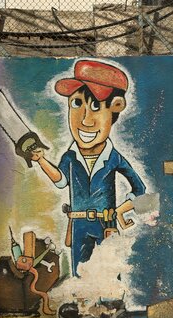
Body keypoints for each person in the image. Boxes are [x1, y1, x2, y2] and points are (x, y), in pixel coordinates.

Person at [31, 60, 146, 277]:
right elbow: (61, 180)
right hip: (78, 224)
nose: (85, 119)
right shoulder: (70, 156)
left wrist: (122, 211)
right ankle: (80, 305)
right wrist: (41, 160)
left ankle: (111, 304)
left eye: (96, 107)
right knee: (79, 272)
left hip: (106, 223)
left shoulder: (113, 157)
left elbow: (141, 190)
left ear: (116, 108)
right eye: (76, 104)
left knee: (110, 270)